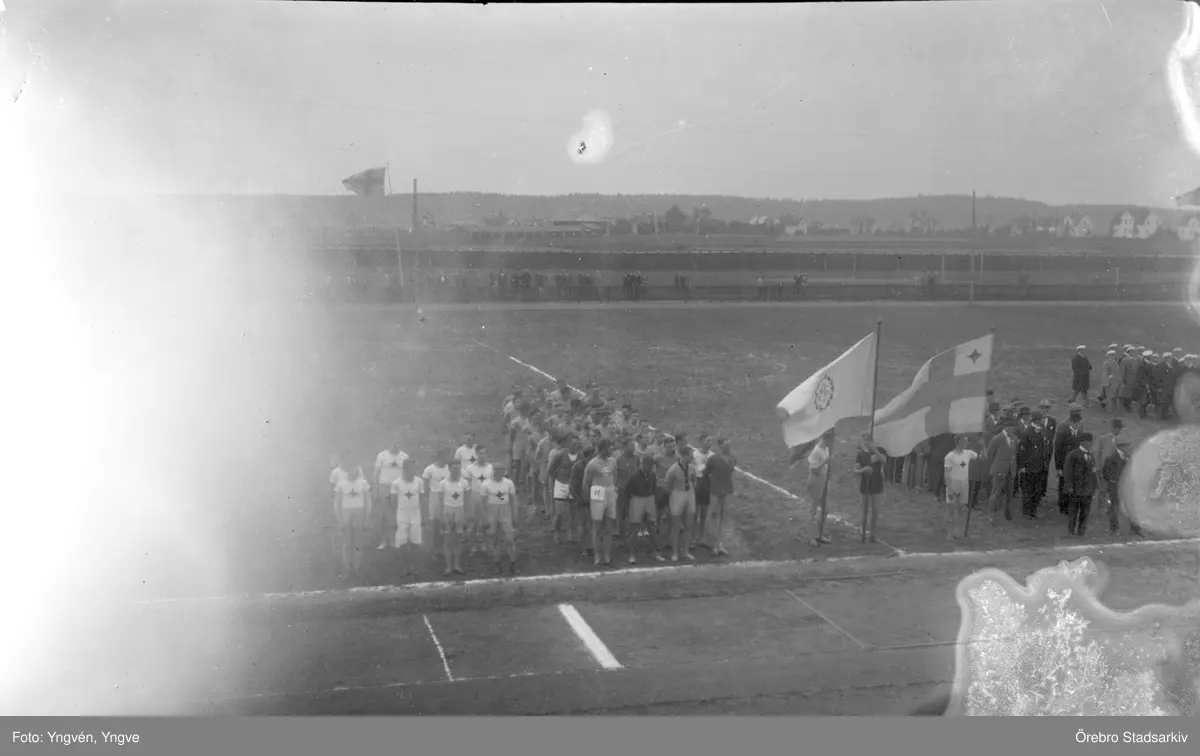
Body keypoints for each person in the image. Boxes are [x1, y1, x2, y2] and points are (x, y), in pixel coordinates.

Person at [583, 440, 619, 568]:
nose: (612, 450)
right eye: (610, 448)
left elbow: (615, 475)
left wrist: (614, 489)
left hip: (609, 491)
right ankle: (597, 556)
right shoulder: (592, 464)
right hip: (597, 491)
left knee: (609, 527)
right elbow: (586, 482)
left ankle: (607, 555)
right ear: (603, 449)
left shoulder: (613, 461)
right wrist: (587, 499)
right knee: (597, 527)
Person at [333, 462, 371, 578]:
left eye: (355, 470)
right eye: (351, 470)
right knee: (347, 543)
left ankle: (356, 569)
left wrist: (366, 518)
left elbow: (367, 501)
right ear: (347, 471)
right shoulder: (341, 484)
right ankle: (347, 569)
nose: (353, 472)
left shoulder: (363, 483)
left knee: (357, 542)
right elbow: (337, 503)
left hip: (359, 513)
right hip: (346, 514)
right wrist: (340, 520)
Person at [480, 464, 519, 576]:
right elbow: (482, 503)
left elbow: (513, 500)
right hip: (492, 512)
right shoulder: (486, 484)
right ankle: (497, 563)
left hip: (505, 511)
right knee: (495, 539)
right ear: (493, 471)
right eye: (497, 470)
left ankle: (512, 563)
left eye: (501, 470)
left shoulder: (508, 483)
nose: (499, 473)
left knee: (510, 539)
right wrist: (484, 518)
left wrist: (514, 516)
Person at [624, 454, 664, 564]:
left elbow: (654, 488)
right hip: (637, 499)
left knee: (652, 527)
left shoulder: (652, 475)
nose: (648, 467)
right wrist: (628, 507)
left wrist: (654, 503)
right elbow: (627, 492)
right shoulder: (634, 477)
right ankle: (632, 554)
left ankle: (654, 552)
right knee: (635, 528)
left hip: (649, 499)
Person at [390, 458, 424, 577]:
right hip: (402, 515)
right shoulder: (396, 483)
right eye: (410, 469)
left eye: (414, 469)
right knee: (402, 542)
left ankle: (413, 566)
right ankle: (405, 566)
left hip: (415, 514)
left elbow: (422, 500)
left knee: (415, 542)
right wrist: (393, 519)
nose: (412, 471)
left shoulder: (419, 482)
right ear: (404, 469)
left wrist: (423, 516)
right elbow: (393, 503)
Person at [1100, 438, 1141, 537]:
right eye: (1126, 445)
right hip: (1115, 487)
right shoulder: (1111, 459)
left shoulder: (1130, 458)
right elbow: (1105, 472)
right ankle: (1114, 530)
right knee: (1114, 508)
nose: (1128, 447)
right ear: (1121, 446)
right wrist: (1113, 481)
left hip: (1128, 488)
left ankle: (1135, 530)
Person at [373, 440, 409, 550]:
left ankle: (394, 540)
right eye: (394, 443)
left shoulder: (404, 457)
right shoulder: (382, 455)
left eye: (398, 443)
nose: (396, 446)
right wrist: (376, 489)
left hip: (399, 489)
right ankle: (384, 541)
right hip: (385, 487)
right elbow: (376, 473)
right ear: (390, 443)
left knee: (397, 515)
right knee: (384, 515)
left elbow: (407, 473)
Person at [800, 432, 834, 546]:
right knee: (813, 510)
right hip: (815, 480)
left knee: (825, 510)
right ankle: (811, 537)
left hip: (824, 480)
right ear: (825, 438)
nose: (832, 442)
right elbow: (812, 468)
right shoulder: (816, 451)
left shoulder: (826, 449)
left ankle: (819, 534)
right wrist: (824, 462)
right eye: (831, 439)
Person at [704, 438, 737, 555]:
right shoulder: (713, 459)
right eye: (726, 445)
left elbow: (730, 471)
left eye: (729, 445)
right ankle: (713, 542)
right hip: (715, 490)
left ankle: (719, 543)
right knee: (714, 515)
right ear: (720, 446)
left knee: (723, 516)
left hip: (727, 490)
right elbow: (706, 473)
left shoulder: (732, 458)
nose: (728, 448)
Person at [1062, 432, 1097, 536]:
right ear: (1083, 442)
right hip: (1076, 488)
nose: (1091, 444)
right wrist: (1069, 486)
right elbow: (1067, 471)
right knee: (1073, 511)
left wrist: (1094, 486)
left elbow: (1093, 472)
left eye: (1091, 442)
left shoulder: (1091, 455)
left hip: (1087, 489)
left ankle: (1081, 531)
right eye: (1089, 442)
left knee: (1085, 512)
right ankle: (1071, 531)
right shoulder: (1073, 454)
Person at [1018, 410, 1051, 519]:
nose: (1043, 420)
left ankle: (1034, 510)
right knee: (1028, 490)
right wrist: (1022, 466)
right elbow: (1022, 451)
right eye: (1041, 419)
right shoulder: (1027, 432)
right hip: (1030, 467)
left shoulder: (1043, 430)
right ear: (1037, 420)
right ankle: (1027, 511)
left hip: (1040, 466)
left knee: (1037, 490)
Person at [663, 449, 696, 561]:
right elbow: (667, 484)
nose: (692, 458)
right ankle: (675, 552)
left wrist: (691, 491)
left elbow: (694, 480)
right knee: (675, 525)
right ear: (685, 456)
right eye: (690, 455)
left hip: (689, 493)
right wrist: (673, 495)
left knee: (689, 524)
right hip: (677, 493)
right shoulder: (673, 469)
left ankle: (686, 551)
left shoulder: (692, 468)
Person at [439, 460, 470, 575]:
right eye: (454, 468)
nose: (456, 470)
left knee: (458, 540)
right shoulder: (443, 483)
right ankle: (448, 566)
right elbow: (440, 500)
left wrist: (466, 515)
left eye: (458, 468)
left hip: (459, 511)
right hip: (447, 510)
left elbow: (467, 500)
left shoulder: (464, 483)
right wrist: (442, 516)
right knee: (447, 540)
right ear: (449, 469)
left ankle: (456, 565)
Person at [943, 435, 976, 540]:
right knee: (951, 509)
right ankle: (949, 534)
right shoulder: (950, 456)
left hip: (964, 483)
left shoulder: (969, 453)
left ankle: (957, 532)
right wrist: (949, 488)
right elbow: (947, 474)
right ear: (959, 442)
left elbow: (983, 457)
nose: (967, 443)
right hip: (953, 483)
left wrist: (983, 444)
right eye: (965, 441)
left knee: (961, 509)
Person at [853, 433, 885, 543]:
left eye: (867, 441)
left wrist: (875, 451)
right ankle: (862, 532)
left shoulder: (878, 451)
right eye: (864, 441)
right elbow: (856, 470)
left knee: (875, 510)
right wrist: (864, 470)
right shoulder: (861, 455)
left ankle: (872, 534)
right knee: (864, 509)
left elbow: (884, 461)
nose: (865, 443)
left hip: (877, 482)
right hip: (865, 482)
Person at [1053, 403, 1084, 514]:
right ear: (1072, 412)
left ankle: (1072, 504)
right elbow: (1057, 447)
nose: (1080, 413)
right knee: (1064, 483)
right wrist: (1058, 467)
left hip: (1077, 461)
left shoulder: (1080, 425)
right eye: (1078, 411)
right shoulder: (1063, 426)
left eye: (1080, 411)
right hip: (1065, 461)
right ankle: (1063, 506)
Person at [986, 418, 1018, 524]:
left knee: (1010, 493)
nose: (1012, 429)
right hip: (999, 470)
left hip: (1011, 470)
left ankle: (1008, 514)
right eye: (1011, 427)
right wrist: (995, 467)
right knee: (995, 493)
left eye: (1013, 427)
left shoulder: (1014, 438)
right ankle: (991, 515)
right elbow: (990, 454)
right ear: (1006, 427)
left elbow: (1014, 453)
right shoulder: (997, 439)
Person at [464, 445, 494, 554]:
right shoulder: (470, 468)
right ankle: (473, 546)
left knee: (485, 522)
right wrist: (467, 502)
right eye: (480, 453)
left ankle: (485, 545)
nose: (483, 455)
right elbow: (466, 485)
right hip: (474, 496)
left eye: (484, 453)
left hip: (487, 496)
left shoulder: (490, 467)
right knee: (474, 523)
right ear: (476, 454)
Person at [422, 449, 451, 554]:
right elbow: (425, 485)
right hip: (434, 497)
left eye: (445, 457)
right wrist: (427, 497)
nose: (443, 459)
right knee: (435, 523)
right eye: (441, 457)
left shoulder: (449, 468)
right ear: (438, 457)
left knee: (446, 522)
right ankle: (435, 548)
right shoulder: (429, 469)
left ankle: (445, 547)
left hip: (447, 496)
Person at [691, 435, 716, 547]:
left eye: (711, 441)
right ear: (701, 442)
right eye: (707, 441)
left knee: (704, 514)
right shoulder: (694, 454)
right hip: (697, 484)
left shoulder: (713, 456)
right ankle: (692, 539)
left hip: (707, 485)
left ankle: (702, 538)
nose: (710, 443)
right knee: (694, 515)